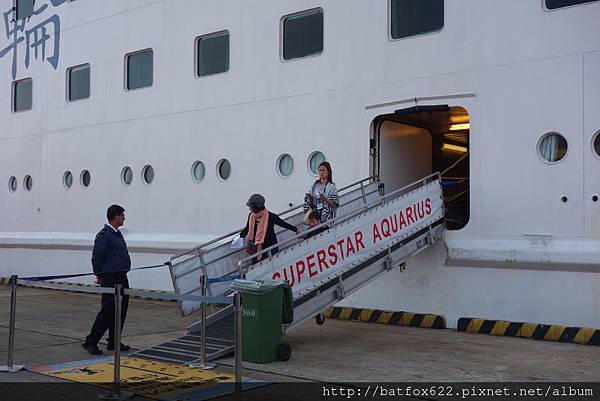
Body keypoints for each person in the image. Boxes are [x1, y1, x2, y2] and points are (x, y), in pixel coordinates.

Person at [82, 205, 131, 355]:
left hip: (121, 276)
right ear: (115, 216)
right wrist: (99, 275)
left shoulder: (117, 234)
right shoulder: (105, 235)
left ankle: (113, 341)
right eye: (122, 215)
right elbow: (97, 257)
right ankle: (91, 341)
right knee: (108, 310)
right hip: (110, 277)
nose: (124, 218)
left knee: (121, 310)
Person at [240, 194, 298, 262]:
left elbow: (283, 224)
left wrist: (296, 229)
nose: (249, 209)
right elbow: (247, 228)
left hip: (271, 247)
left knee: (273, 265)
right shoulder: (251, 216)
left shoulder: (270, 216)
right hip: (256, 249)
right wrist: (239, 236)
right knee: (256, 267)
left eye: (251, 207)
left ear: (256, 207)